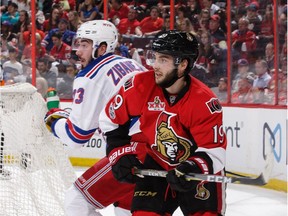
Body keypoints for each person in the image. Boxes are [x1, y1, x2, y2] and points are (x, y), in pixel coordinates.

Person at [99, 30, 227, 216]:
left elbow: (214, 151)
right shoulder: (139, 85)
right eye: (155, 58)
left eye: (163, 60)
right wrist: (118, 153)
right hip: (157, 161)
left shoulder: (204, 101)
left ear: (183, 64)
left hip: (196, 171)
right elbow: (110, 120)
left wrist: (191, 167)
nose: (155, 66)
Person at [44, 20, 147, 216]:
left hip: (135, 150)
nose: (77, 51)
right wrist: (65, 114)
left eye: (84, 45)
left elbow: (76, 138)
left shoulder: (90, 75)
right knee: (125, 209)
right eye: (78, 44)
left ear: (102, 48)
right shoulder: (131, 63)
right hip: (160, 145)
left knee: (76, 201)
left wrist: (53, 121)